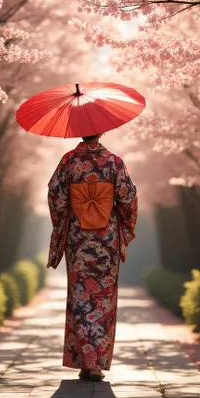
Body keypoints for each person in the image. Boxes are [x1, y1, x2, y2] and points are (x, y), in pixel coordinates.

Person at [47, 133, 138, 382]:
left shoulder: (68, 161)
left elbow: (56, 197)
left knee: (80, 298)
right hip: (106, 240)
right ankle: (95, 364)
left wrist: (71, 214)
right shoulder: (114, 162)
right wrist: (124, 227)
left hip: (78, 239)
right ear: (102, 132)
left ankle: (85, 363)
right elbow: (129, 197)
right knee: (103, 299)